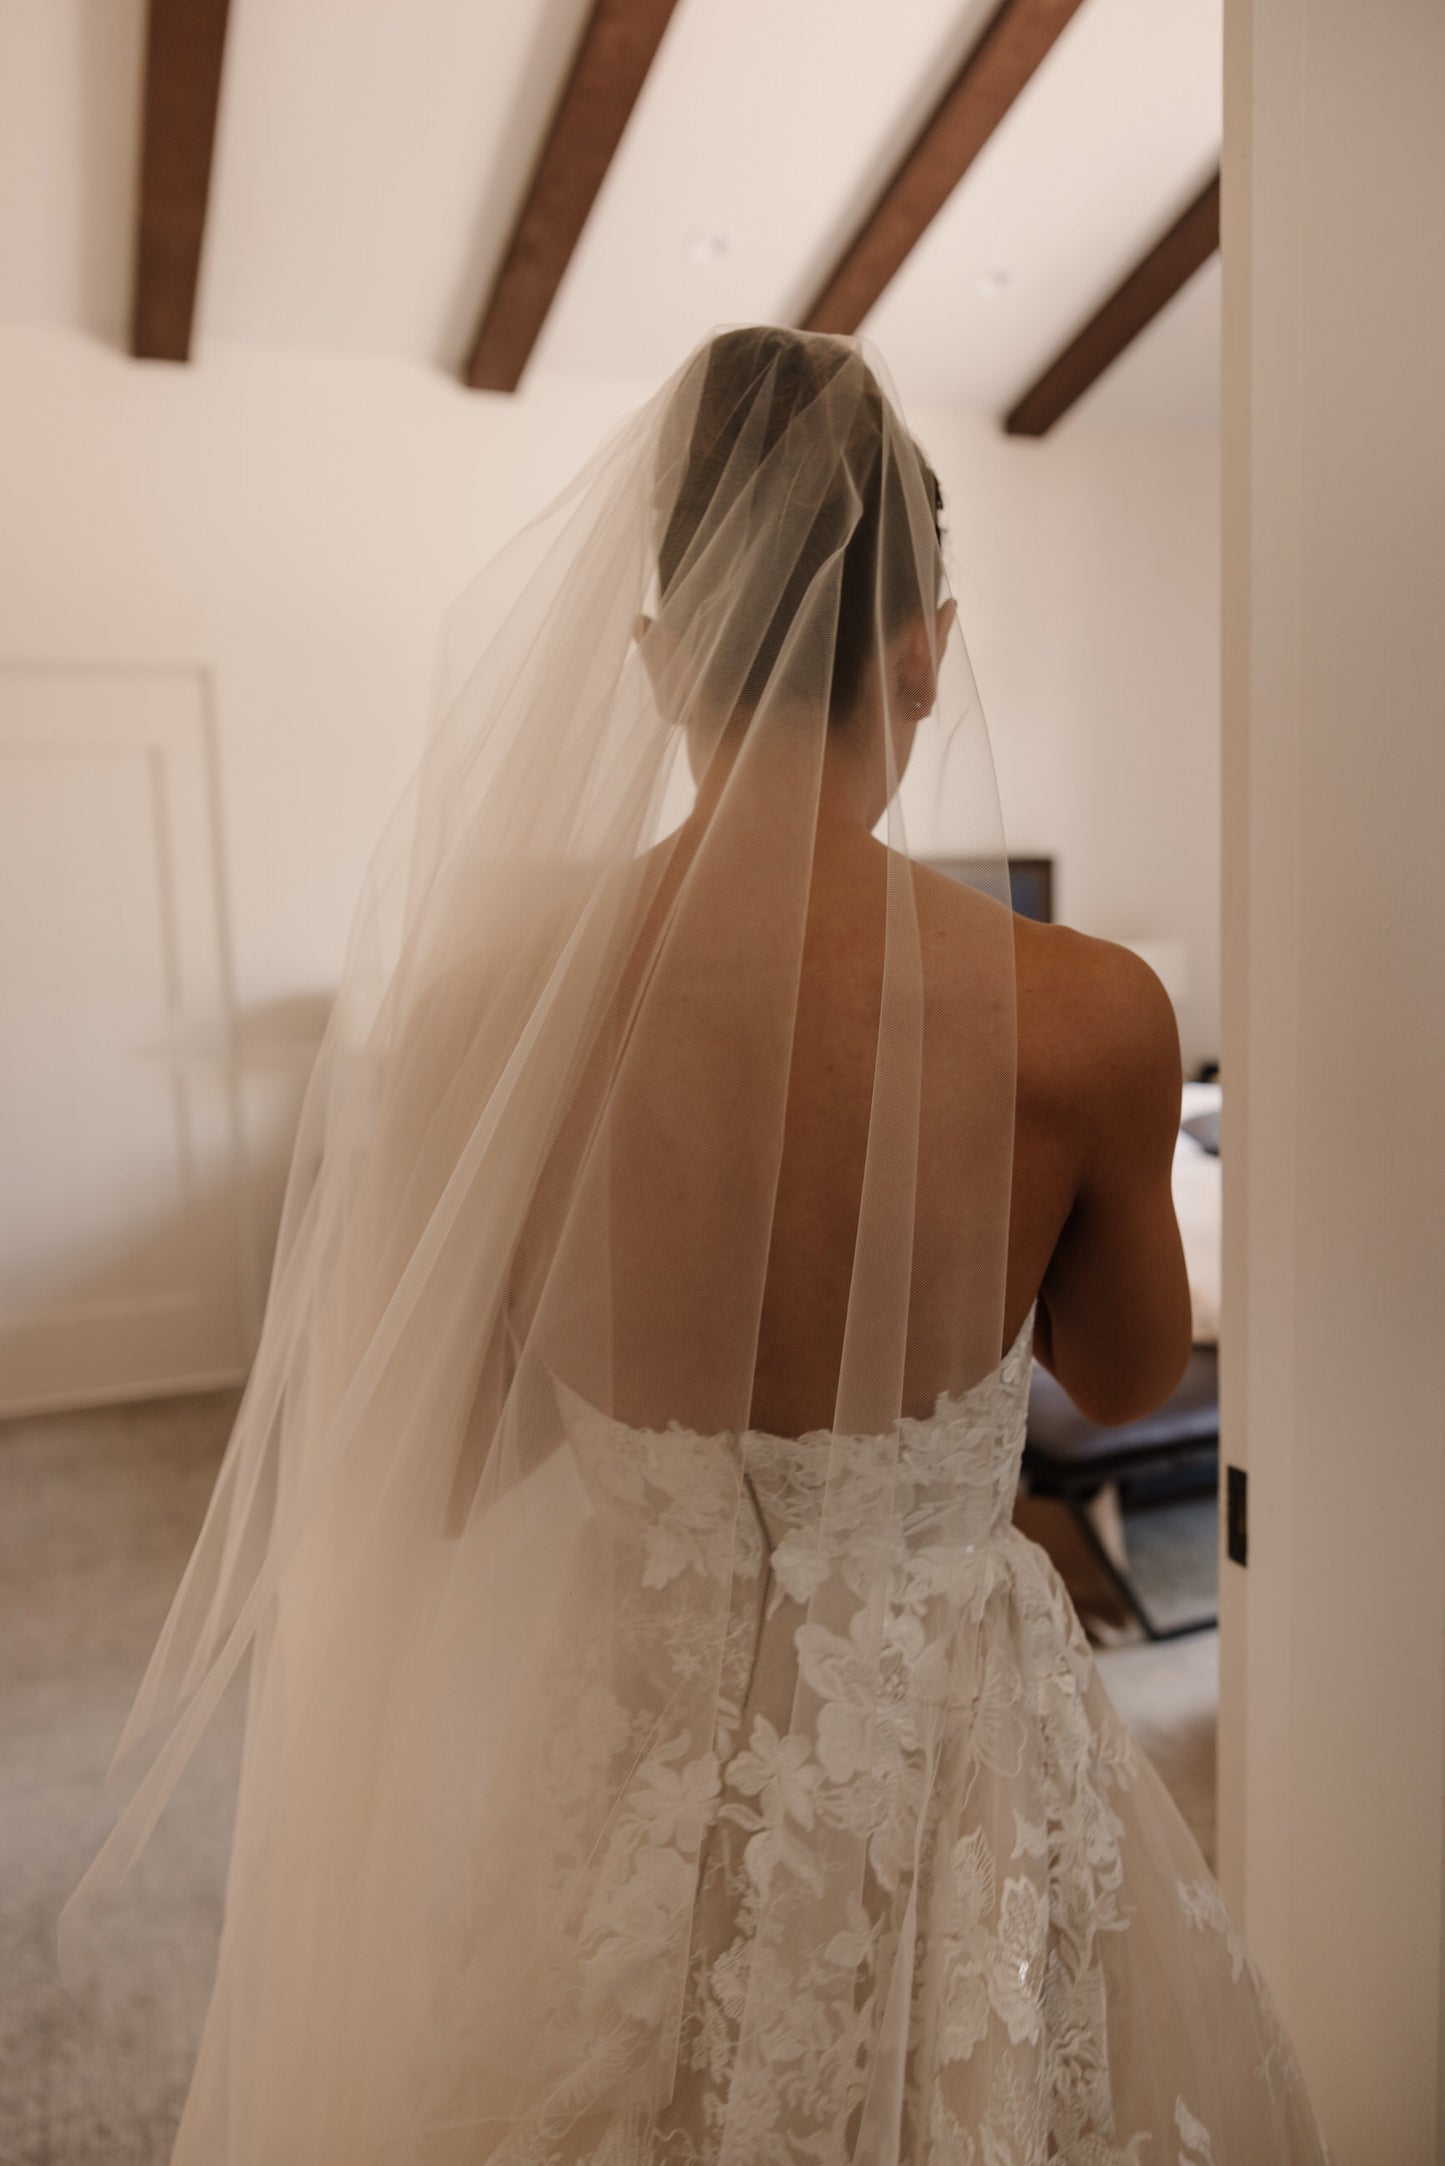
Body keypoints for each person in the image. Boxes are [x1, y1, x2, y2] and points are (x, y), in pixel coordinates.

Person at [64, 326, 1329, 2162]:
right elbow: (1131, 1374)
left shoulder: (478, 1023)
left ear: (656, 661)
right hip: (945, 1742)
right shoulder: (1088, 1015)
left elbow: (425, 1465)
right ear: (926, 650)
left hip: (631, 1729)